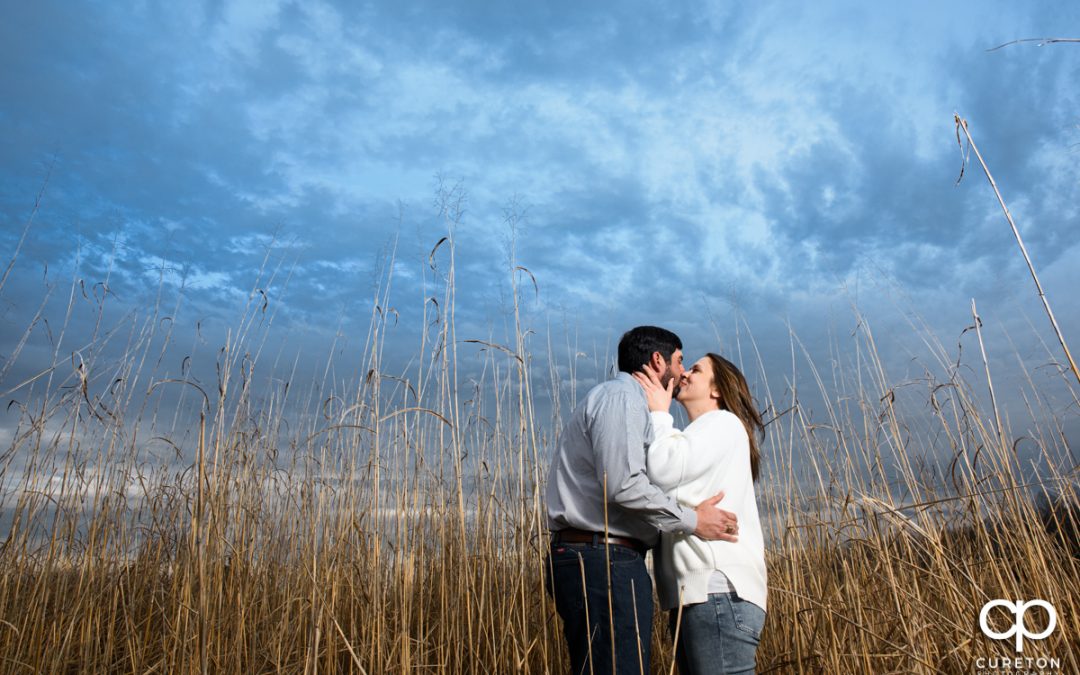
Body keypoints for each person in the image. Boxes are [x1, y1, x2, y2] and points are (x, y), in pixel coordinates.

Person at [546, 326, 741, 675]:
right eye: (681, 361)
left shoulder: (627, 403)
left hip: (602, 557)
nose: (682, 372)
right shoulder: (622, 399)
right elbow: (623, 486)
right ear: (657, 361)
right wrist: (695, 521)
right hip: (603, 559)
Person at [633, 353, 767, 675]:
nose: (686, 373)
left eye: (696, 369)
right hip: (706, 595)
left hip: (717, 591)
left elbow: (662, 469)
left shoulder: (722, 423)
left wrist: (659, 414)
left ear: (717, 389)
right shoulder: (697, 436)